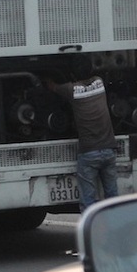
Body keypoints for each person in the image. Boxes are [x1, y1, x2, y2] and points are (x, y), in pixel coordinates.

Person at [45, 74, 119, 212]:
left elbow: (53, 88)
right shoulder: (100, 82)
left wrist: (48, 81)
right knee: (112, 195)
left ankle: (90, 228)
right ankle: (116, 227)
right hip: (109, 150)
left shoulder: (70, 89)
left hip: (89, 153)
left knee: (88, 200)